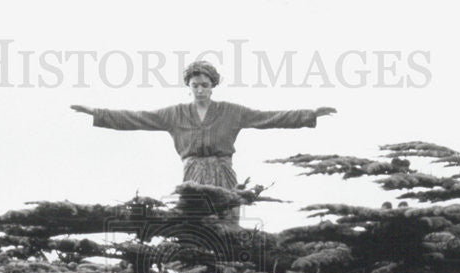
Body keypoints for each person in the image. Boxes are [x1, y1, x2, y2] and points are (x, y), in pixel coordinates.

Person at [71, 60, 336, 220]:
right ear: (188, 86)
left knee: (227, 227)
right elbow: (135, 118)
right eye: (195, 84)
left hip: (224, 174)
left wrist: (309, 114)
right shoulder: (174, 114)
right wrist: (97, 113)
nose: (200, 89)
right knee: (194, 230)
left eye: (205, 84)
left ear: (213, 86)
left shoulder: (231, 112)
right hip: (193, 176)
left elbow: (269, 117)